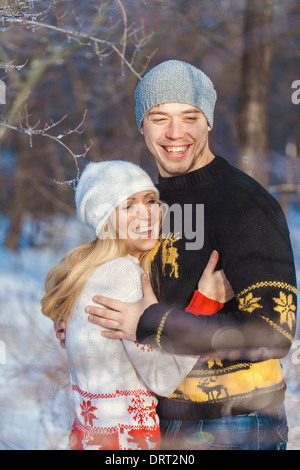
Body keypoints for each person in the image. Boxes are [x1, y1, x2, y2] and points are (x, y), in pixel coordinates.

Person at [81, 60, 297, 450]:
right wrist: (79, 319)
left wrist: (152, 322)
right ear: (141, 125)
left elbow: (273, 332)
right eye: (160, 117)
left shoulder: (247, 206)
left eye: (190, 117)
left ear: (209, 122)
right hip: (162, 422)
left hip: (239, 425)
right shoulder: (149, 206)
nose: (175, 133)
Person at [43, 159, 233, 450]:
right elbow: (163, 378)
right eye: (129, 206)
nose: (146, 214)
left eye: (150, 200)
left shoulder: (87, 273)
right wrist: (204, 305)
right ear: (105, 219)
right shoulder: (123, 274)